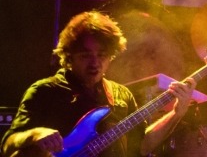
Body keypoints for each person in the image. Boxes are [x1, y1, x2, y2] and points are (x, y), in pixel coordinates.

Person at [2, 11, 195, 157]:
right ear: (69, 57)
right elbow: (7, 144)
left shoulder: (121, 95)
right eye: (86, 56)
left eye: (102, 55)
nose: (95, 63)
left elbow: (142, 146)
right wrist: (35, 134)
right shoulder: (44, 91)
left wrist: (176, 113)